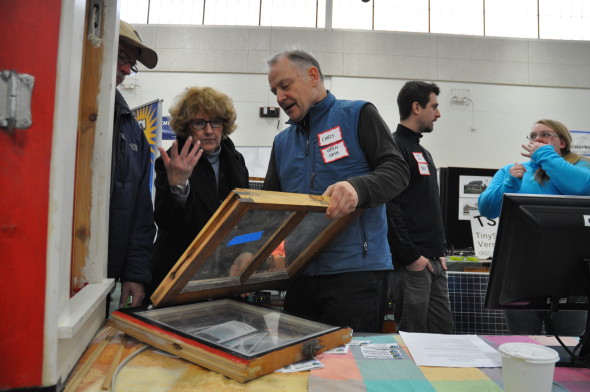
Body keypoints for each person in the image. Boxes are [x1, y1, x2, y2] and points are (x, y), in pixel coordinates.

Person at [263, 49, 409, 333]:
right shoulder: (282, 142)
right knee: (296, 365)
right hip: (300, 276)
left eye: (285, 85)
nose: (279, 97)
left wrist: (357, 188)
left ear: (313, 77)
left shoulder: (358, 114)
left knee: (349, 371)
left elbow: (397, 171)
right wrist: (251, 252)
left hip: (357, 276)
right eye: (274, 91)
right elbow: (268, 208)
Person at [478, 119, 590, 335]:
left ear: (563, 142)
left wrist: (545, 156)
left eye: (545, 134)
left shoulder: (581, 166)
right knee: (524, 344)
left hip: (571, 272)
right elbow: (487, 209)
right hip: (521, 271)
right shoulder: (512, 170)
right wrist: (510, 184)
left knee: (570, 344)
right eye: (532, 136)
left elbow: (582, 189)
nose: (537, 139)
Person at [146, 86, 249, 301]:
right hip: (178, 274)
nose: (209, 130)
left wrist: (246, 252)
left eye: (216, 121)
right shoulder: (172, 162)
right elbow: (165, 221)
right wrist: (178, 186)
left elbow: (245, 219)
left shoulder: (236, 162)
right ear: (187, 127)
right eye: (200, 122)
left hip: (223, 272)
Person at [386, 81, 454, 334]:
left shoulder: (423, 152)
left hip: (434, 261)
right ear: (416, 107)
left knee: (444, 335)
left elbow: (426, 206)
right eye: (434, 106)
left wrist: (440, 251)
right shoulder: (394, 148)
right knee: (414, 339)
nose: (438, 113)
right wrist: (412, 256)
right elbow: (390, 208)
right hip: (413, 264)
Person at [108, 20, 158, 310]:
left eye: (131, 63)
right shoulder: (60, 108)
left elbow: (141, 211)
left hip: (104, 278)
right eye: (121, 57)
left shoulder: (133, 133)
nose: (127, 70)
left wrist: (136, 275)